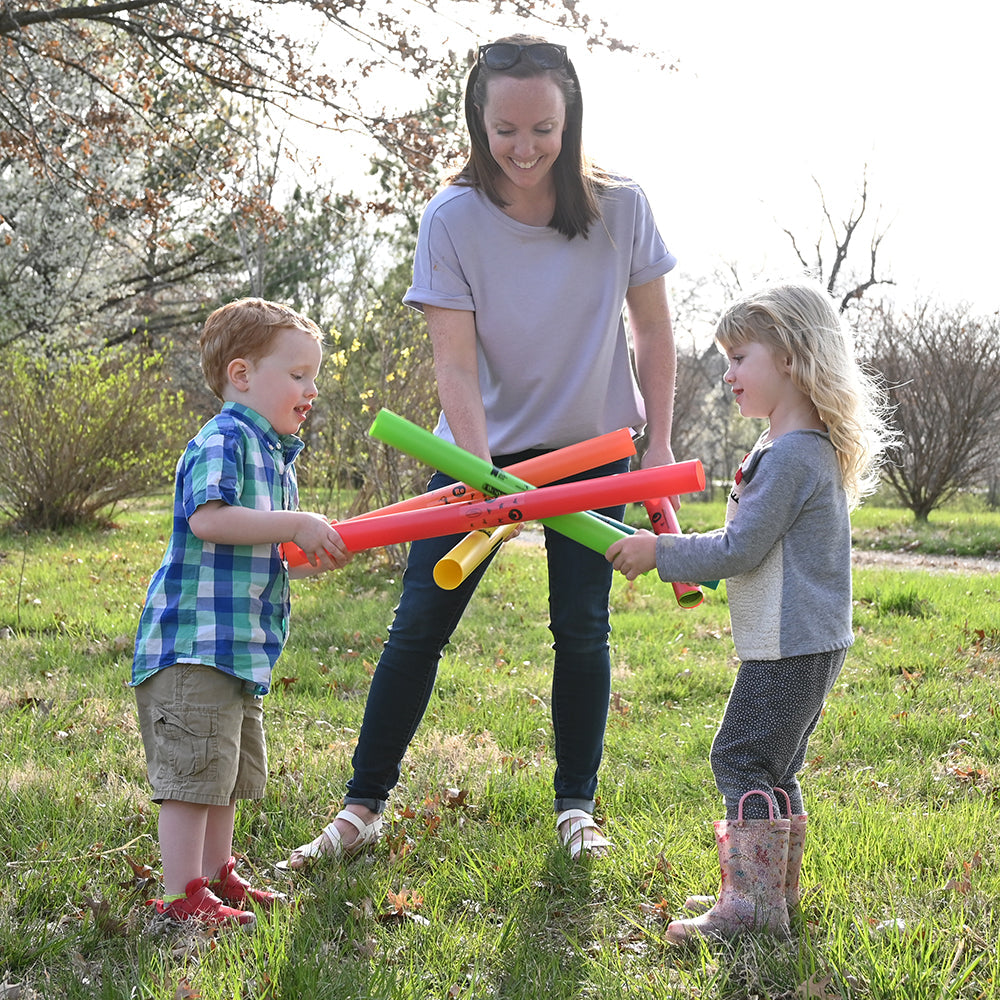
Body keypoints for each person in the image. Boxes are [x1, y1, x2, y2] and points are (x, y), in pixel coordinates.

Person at [286, 33, 677, 866]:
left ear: (570, 117)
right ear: (478, 120)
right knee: (419, 623)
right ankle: (363, 806)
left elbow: (652, 330)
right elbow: (453, 363)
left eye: (544, 128)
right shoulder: (452, 219)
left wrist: (662, 444)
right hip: (479, 455)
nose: (526, 148)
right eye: (506, 129)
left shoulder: (624, 209)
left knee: (581, 626)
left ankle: (577, 808)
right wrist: (482, 473)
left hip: (591, 451)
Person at [606, 279, 895, 941]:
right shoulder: (790, 447)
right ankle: (773, 899)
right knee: (771, 765)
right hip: (803, 638)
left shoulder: (793, 454)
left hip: (792, 641)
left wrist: (661, 552)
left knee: (738, 758)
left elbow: (739, 548)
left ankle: (749, 910)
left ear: (790, 358)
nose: (729, 373)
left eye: (741, 357)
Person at [132, 298, 352, 926]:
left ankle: (219, 874)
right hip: (194, 643)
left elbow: (269, 547)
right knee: (191, 775)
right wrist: (296, 522)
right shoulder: (223, 440)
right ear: (242, 374)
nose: (311, 389)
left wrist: (309, 552)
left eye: (314, 376)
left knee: (224, 773)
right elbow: (210, 520)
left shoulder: (277, 456)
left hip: (240, 646)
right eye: (298, 374)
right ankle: (180, 894)